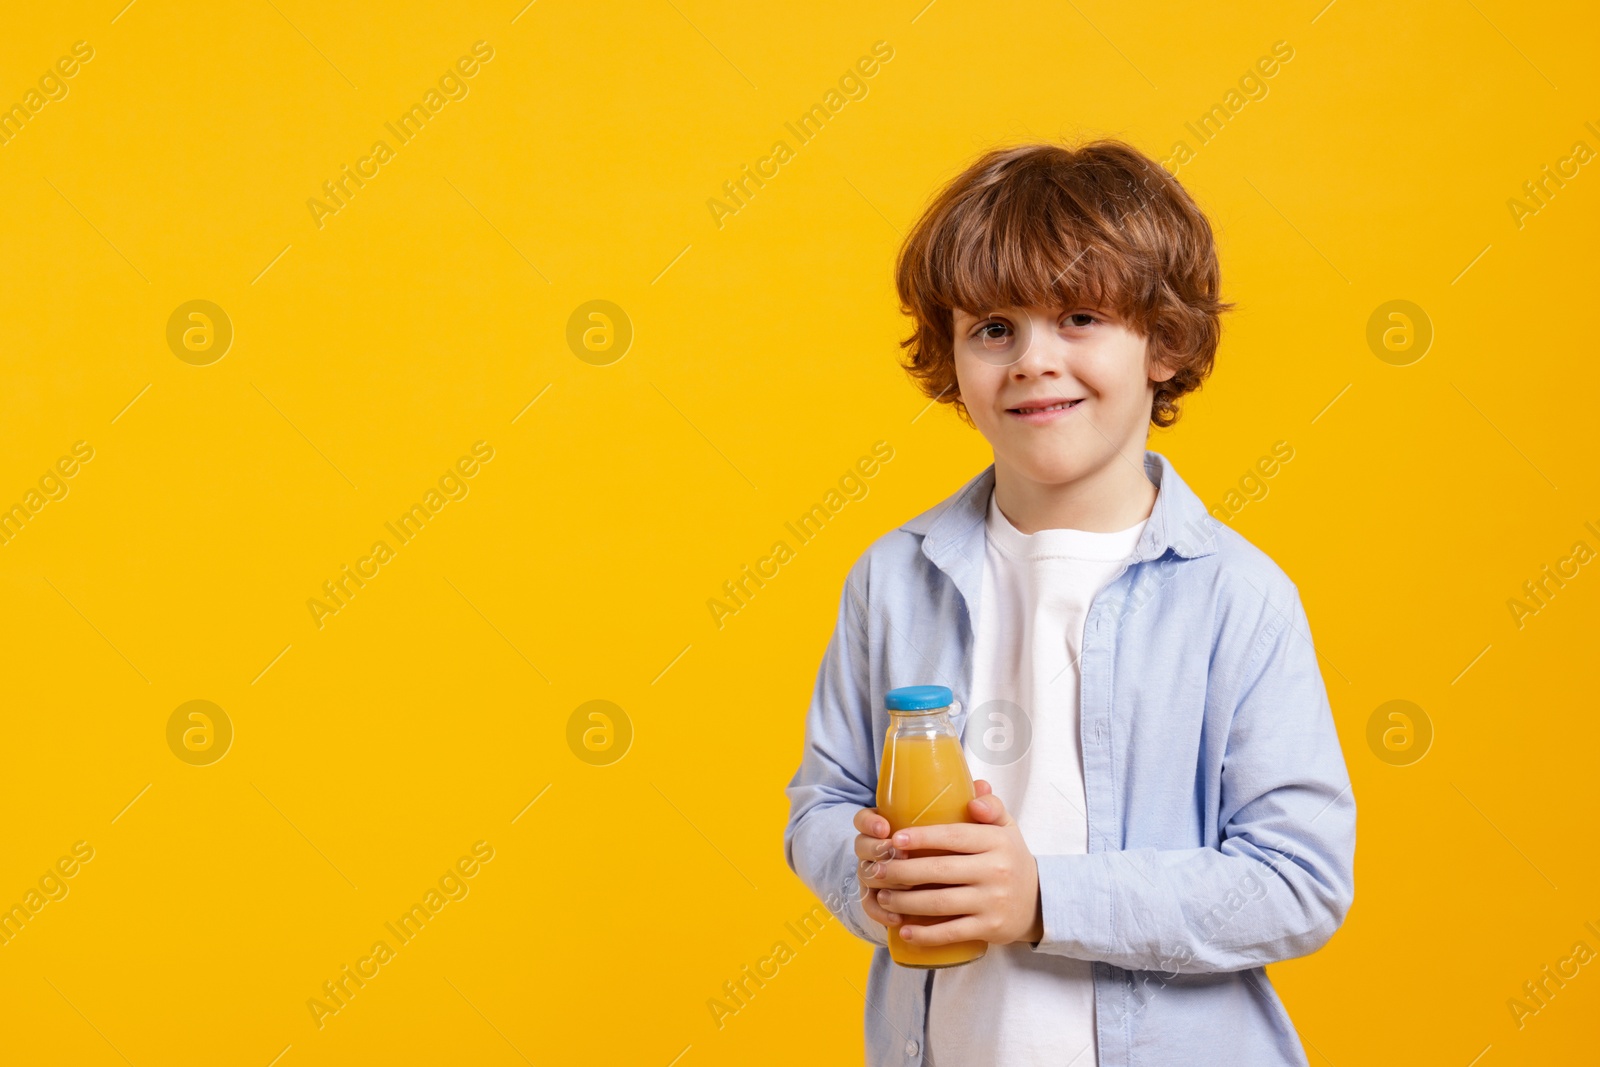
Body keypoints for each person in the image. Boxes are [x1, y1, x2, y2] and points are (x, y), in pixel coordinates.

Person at [782, 139, 1356, 1067]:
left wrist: (1042, 898)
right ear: (952, 356)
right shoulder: (891, 579)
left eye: (1080, 317)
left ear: (1164, 343)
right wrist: (873, 881)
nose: (1032, 361)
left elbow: (1299, 879)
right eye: (993, 328)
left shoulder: (1238, 598)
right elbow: (823, 801)